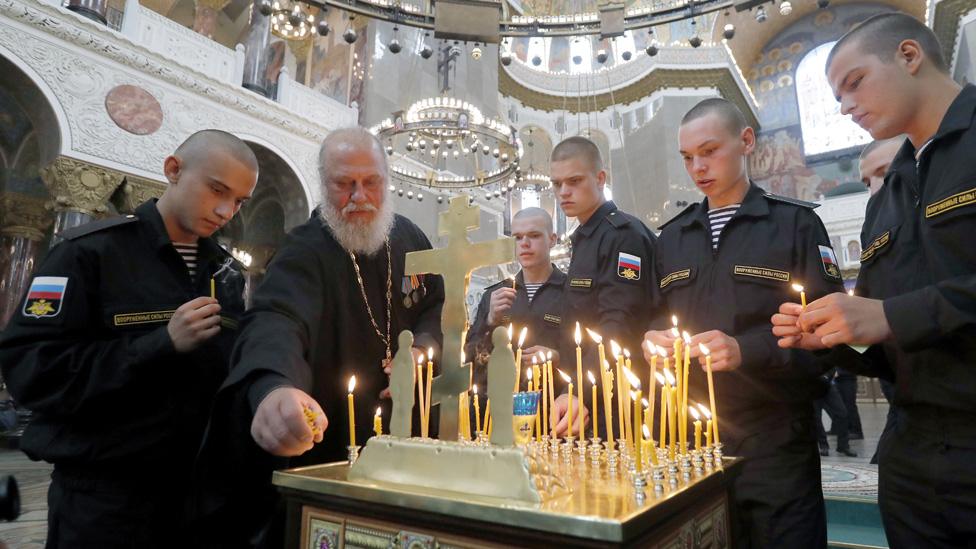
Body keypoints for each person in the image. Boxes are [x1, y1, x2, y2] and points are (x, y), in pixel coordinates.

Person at [772, 13, 976, 546]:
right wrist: (838, 342)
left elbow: (897, 316)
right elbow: (890, 344)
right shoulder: (884, 199)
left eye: (854, 82)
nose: (844, 107)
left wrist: (888, 316)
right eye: (836, 95)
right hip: (914, 453)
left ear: (909, 56)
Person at [0, 130, 259, 548]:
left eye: (241, 201)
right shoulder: (89, 253)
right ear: (173, 170)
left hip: (194, 498)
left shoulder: (224, 274)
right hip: (105, 501)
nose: (227, 210)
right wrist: (159, 344)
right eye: (217, 190)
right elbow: (32, 369)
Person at [191, 127, 444, 547]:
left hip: (408, 439)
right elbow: (277, 319)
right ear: (324, 185)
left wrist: (421, 349)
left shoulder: (409, 238)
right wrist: (273, 386)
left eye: (370, 183)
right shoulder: (304, 248)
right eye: (343, 184)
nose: (358, 196)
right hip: (333, 443)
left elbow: (435, 306)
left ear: (387, 180)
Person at [644, 98, 844, 548]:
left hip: (773, 434)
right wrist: (653, 338)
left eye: (710, 150)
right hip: (691, 437)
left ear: (746, 141)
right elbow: (659, 311)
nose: (698, 167)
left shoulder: (794, 225)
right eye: (688, 157)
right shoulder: (673, 236)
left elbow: (830, 337)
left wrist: (744, 350)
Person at [549, 136, 656, 439]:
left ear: (600, 178)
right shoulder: (585, 238)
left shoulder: (623, 235)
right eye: (556, 184)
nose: (563, 192)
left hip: (618, 400)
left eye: (574, 180)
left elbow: (620, 323)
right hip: (586, 399)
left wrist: (579, 391)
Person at [466, 207, 570, 432]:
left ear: (552, 239)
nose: (524, 243)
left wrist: (558, 357)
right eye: (518, 237)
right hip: (499, 411)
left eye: (534, 236)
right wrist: (491, 320)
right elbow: (469, 356)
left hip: (552, 411)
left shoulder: (571, 292)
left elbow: (590, 351)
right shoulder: (494, 295)